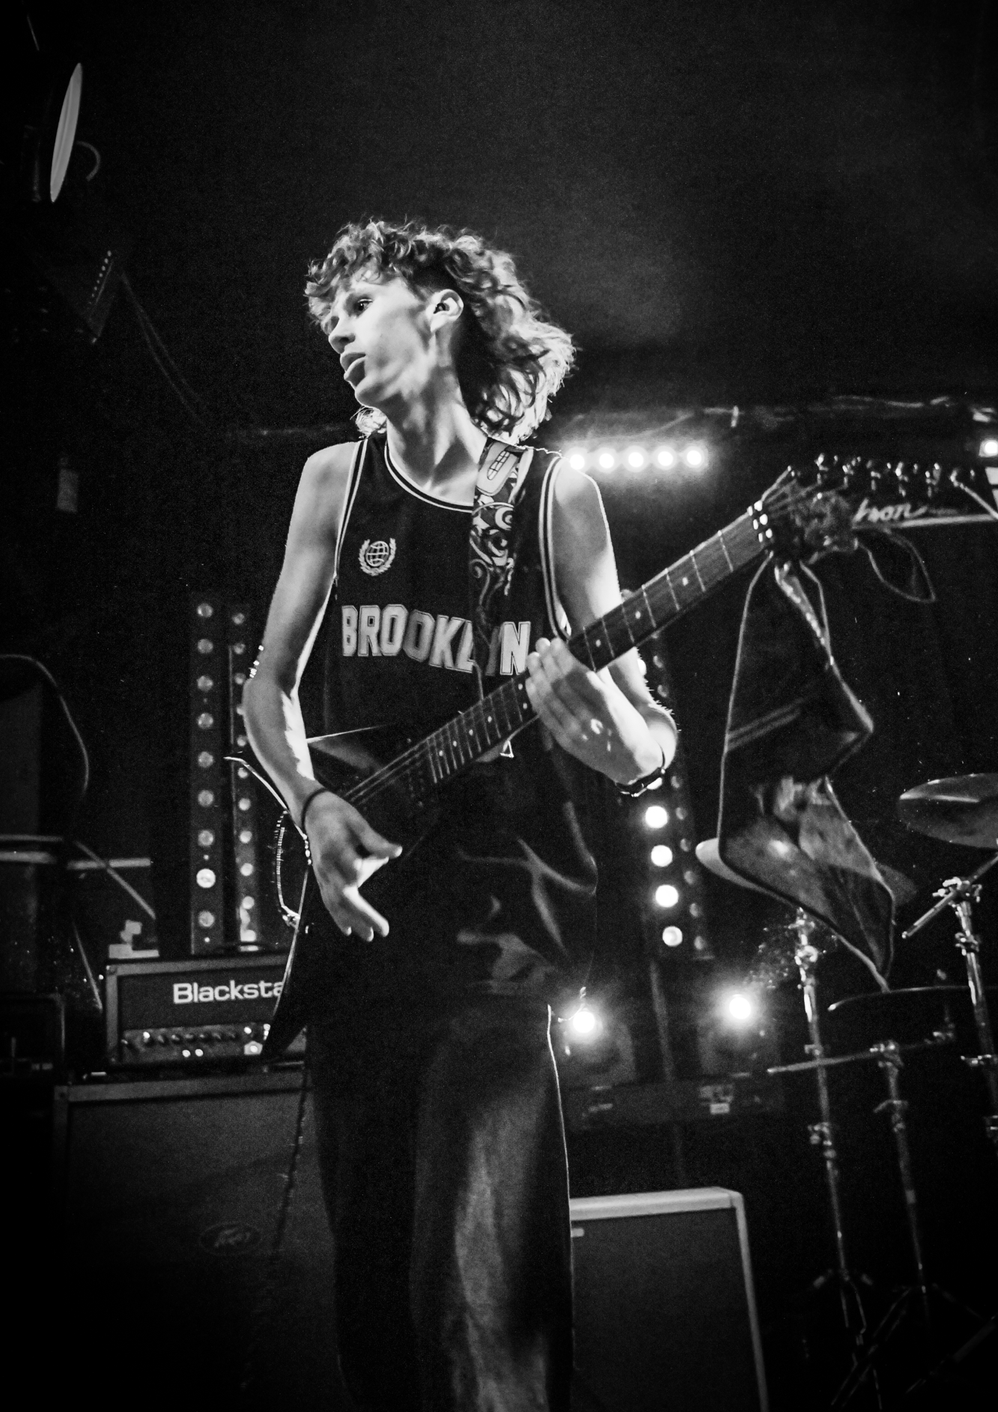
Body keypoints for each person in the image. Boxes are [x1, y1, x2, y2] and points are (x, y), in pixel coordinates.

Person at [242, 218, 677, 1412]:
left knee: (479, 1313)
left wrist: (604, 726)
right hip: (362, 951)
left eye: (360, 301)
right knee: (379, 1317)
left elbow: (648, 743)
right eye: (329, 315)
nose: (337, 329)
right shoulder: (335, 480)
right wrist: (310, 801)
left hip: (497, 949)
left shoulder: (554, 496)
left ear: (438, 306)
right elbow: (265, 690)